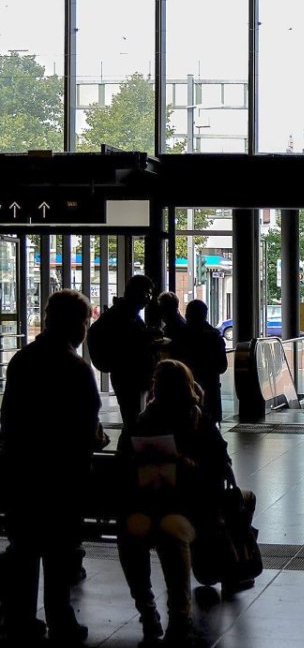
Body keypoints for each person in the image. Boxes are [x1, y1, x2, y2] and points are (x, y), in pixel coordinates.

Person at [0, 290, 100, 645]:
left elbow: (9, 419)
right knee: (58, 552)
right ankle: (61, 619)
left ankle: (19, 618)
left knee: (24, 549)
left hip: (22, 474)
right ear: (77, 324)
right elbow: (87, 431)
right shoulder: (75, 369)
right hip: (61, 479)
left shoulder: (21, 361)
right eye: (86, 322)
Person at [118, 359, 234, 647]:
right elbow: (220, 466)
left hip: (155, 504)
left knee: (133, 533)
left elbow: (123, 463)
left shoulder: (142, 421)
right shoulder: (200, 421)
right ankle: (179, 616)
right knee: (170, 533)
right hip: (188, 506)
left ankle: (148, 611)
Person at [88, 274, 161, 430]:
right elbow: (130, 346)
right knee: (135, 423)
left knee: (134, 422)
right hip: (130, 377)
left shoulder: (125, 316)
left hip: (132, 377)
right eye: (147, 294)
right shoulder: (121, 318)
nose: (148, 299)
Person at [169, 300, 229, 424]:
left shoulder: (180, 337)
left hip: (185, 389)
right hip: (210, 388)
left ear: (187, 315)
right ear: (204, 315)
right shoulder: (214, 337)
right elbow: (222, 367)